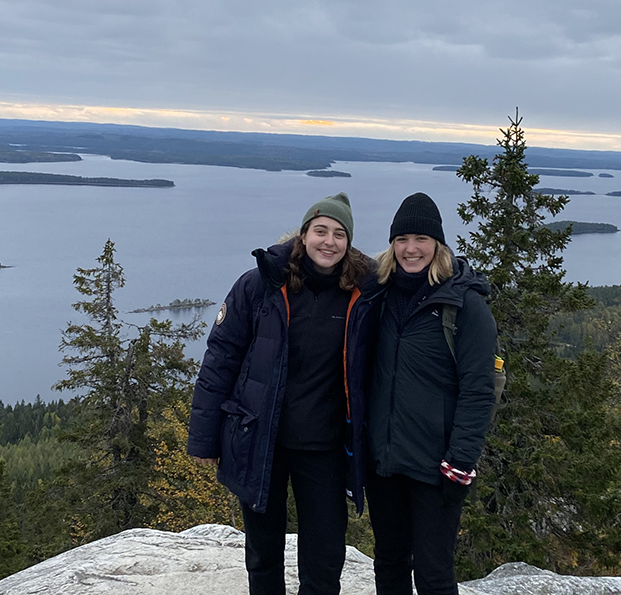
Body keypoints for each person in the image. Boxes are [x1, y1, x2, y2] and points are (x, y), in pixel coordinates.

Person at [186, 192, 381, 595]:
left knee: (325, 557)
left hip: (325, 446)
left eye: (339, 234)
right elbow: (221, 358)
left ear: (349, 242)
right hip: (261, 439)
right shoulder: (261, 285)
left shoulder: (363, 295)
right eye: (320, 230)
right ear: (303, 235)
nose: (329, 241)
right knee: (263, 552)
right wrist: (203, 437)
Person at [365, 192, 498, 595]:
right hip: (383, 460)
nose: (410, 249)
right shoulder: (378, 294)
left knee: (434, 571)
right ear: (392, 244)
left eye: (421, 239)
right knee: (388, 563)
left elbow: (479, 391)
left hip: (436, 465)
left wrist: (460, 462)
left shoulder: (464, 305)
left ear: (438, 244)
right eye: (402, 239)